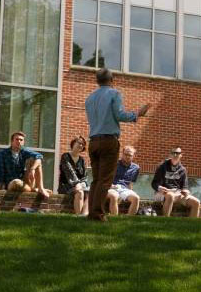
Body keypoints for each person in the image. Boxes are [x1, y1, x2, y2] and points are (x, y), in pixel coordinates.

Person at [85, 68, 149, 222]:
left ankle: (91, 213)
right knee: (105, 179)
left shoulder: (89, 98)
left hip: (93, 142)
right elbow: (120, 115)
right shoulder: (114, 94)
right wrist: (137, 114)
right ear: (112, 79)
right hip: (109, 141)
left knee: (96, 179)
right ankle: (98, 215)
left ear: (97, 81)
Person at [0, 131, 50, 198]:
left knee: (36, 160)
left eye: (21, 140)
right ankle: (34, 190)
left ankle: (40, 188)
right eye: (17, 139)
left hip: (25, 183)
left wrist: (32, 169)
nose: (19, 141)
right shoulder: (2, 154)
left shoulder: (24, 151)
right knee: (16, 182)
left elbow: (39, 156)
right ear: (12, 141)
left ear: (23, 142)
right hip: (11, 183)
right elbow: (1, 175)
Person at [151, 147, 201, 218]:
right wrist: (160, 188)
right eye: (173, 153)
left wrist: (185, 191)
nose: (175, 155)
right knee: (170, 195)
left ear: (181, 155)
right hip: (162, 193)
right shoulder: (162, 166)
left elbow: (184, 186)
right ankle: (165, 220)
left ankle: (192, 225)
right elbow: (154, 183)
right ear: (170, 155)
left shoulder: (183, 169)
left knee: (196, 202)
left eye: (177, 153)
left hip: (177, 194)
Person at [59, 136, 90, 216]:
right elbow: (69, 172)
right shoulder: (65, 156)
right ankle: (79, 217)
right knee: (79, 192)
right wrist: (77, 184)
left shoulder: (82, 160)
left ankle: (84, 215)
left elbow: (85, 177)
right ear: (73, 143)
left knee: (91, 193)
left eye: (82, 144)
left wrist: (82, 185)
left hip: (79, 186)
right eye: (79, 143)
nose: (81, 145)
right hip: (66, 186)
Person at [106, 146, 142, 216]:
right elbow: (106, 178)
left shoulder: (136, 168)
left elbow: (131, 183)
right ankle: (114, 218)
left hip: (124, 189)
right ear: (122, 154)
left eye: (130, 155)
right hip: (113, 187)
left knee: (136, 198)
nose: (127, 157)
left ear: (133, 156)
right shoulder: (114, 164)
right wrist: (109, 186)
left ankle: (129, 219)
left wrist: (131, 192)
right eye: (126, 154)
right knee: (114, 196)